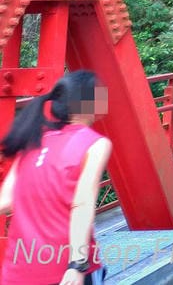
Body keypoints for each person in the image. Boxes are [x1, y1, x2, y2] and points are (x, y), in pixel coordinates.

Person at [0, 70, 112, 285]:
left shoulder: (32, 140)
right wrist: (77, 265)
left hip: (17, 272)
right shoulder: (94, 144)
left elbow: (5, 201)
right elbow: (81, 205)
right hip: (63, 272)